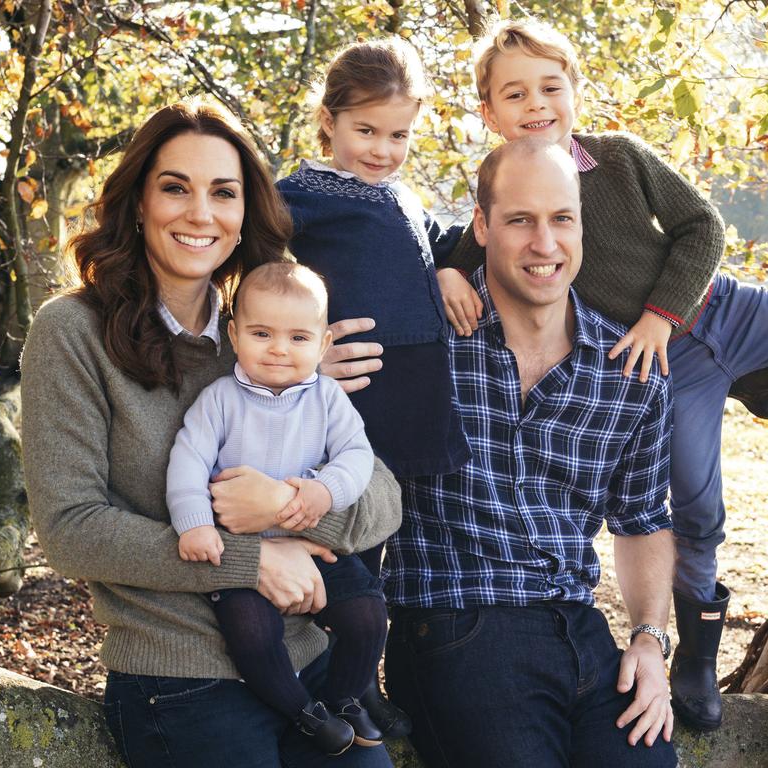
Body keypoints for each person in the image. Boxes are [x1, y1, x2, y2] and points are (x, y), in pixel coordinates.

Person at [435, 17, 768, 732]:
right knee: (696, 508)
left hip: (719, 311)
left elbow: (702, 226)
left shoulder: (618, 158)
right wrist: (444, 274)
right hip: (668, 371)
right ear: (489, 113)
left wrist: (659, 314)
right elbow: (467, 250)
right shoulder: (509, 198)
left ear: (575, 91)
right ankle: (697, 663)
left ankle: (756, 375)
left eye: (551, 86)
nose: (537, 104)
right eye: (514, 95)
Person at [21, 99, 400, 768]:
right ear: (137, 203)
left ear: (245, 212)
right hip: (182, 680)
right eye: (175, 188)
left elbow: (382, 494)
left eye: (223, 193)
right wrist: (254, 559)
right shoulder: (71, 332)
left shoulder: (266, 335)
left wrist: (288, 504)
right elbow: (71, 530)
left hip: (309, 661)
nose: (201, 213)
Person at [383, 138, 678, 768]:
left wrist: (650, 640)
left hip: (582, 632)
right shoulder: (424, 346)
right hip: (456, 621)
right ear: (483, 226)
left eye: (561, 219)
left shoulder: (630, 371)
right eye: (520, 220)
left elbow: (643, 519)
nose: (545, 244)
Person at [275, 38, 471, 736]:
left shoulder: (401, 194)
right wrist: (297, 346)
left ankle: (365, 675)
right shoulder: (301, 195)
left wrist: (449, 267)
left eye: (399, 135)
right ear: (328, 121)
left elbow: (441, 238)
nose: (383, 149)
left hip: (413, 397)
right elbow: (253, 269)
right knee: (345, 543)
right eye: (366, 131)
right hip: (356, 396)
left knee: (381, 543)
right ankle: (340, 681)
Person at [166, 262, 386, 755]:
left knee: (367, 614)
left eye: (298, 337)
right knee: (251, 633)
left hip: (310, 546)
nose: (279, 349)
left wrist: (323, 492)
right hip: (241, 553)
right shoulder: (219, 400)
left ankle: (343, 697)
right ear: (234, 334)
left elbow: (356, 456)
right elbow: (187, 461)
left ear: (324, 344)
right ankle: (302, 712)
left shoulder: (327, 398)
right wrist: (195, 524)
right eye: (261, 333)